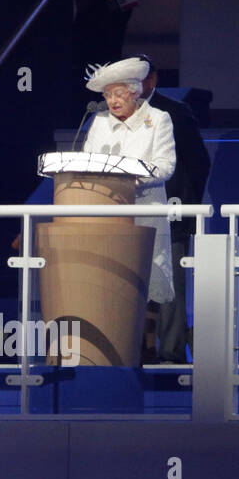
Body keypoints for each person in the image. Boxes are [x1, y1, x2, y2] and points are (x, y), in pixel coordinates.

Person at [81, 57, 176, 317]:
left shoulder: (159, 119)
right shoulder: (99, 122)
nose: (112, 100)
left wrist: (129, 177)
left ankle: (142, 349)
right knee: (106, 285)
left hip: (144, 214)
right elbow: (86, 163)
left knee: (141, 289)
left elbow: (166, 167)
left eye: (118, 94)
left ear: (134, 92)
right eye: (108, 94)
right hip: (105, 215)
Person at [134, 54, 208, 363]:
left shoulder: (176, 113)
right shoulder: (114, 116)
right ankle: (135, 349)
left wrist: (187, 208)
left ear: (153, 79)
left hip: (170, 215)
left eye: (140, 77)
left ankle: (171, 353)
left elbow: (199, 163)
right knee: (134, 285)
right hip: (128, 218)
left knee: (171, 286)